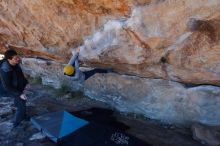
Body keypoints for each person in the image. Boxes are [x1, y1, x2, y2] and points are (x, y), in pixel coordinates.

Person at [0, 49, 28, 127]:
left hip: (15, 86)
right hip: (5, 89)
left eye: (18, 57)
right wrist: (19, 94)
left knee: (20, 101)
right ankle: (17, 123)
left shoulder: (15, 64)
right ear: (9, 59)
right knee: (22, 100)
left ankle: (20, 111)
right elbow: (7, 86)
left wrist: (26, 82)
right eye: (15, 58)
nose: (18, 59)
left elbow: (20, 75)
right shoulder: (5, 70)